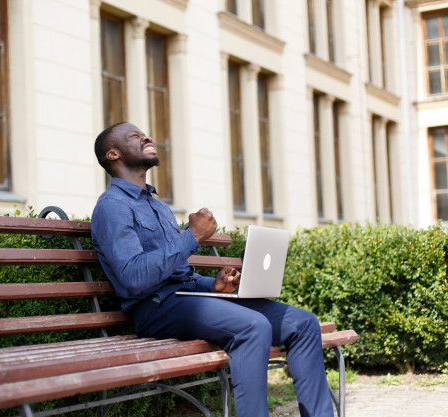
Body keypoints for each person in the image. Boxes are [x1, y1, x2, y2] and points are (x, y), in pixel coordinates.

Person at [91, 122, 334, 417]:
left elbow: (180, 274)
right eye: (134, 136)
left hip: (187, 298)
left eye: (144, 133)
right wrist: (191, 236)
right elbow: (132, 278)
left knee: (303, 323)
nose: (146, 137)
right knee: (253, 327)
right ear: (113, 154)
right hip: (155, 308)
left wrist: (214, 286)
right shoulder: (112, 206)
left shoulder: (159, 207)